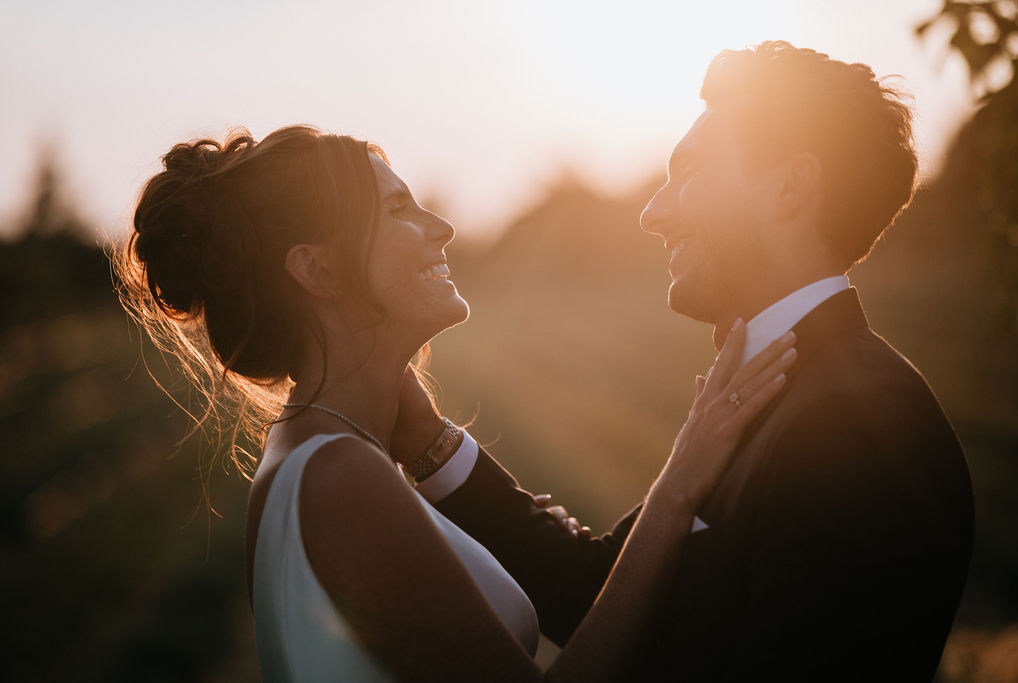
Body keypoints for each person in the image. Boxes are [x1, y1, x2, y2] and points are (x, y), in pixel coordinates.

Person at [115, 124, 798, 681]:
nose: (440, 227)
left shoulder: (317, 455)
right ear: (317, 269)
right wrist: (678, 487)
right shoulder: (339, 477)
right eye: (399, 210)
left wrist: (428, 435)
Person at [401, 41, 975, 680]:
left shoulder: (859, 422)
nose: (654, 212)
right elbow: (608, 592)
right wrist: (430, 443)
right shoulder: (764, 391)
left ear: (789, 186)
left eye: (691, 172)